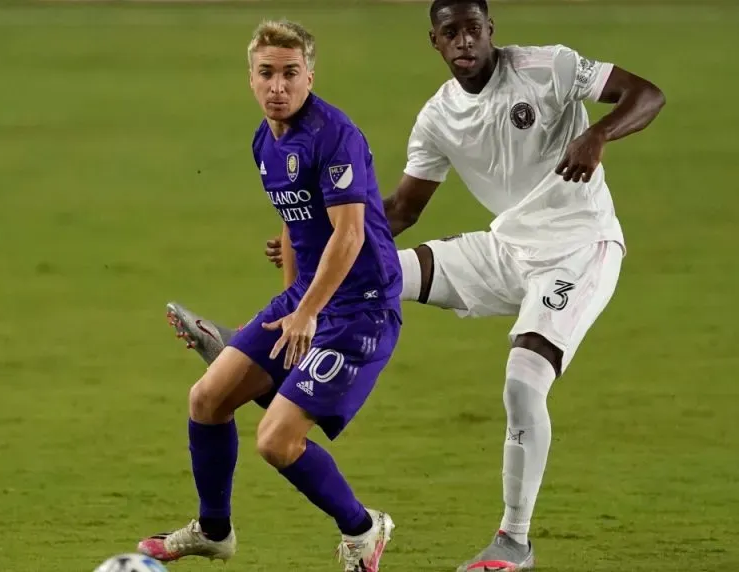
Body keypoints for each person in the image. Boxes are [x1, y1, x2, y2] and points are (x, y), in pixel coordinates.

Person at [166, 1, 665, 569]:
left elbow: (647, 95)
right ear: (435, 41)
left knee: (524, 382)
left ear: (490, 30)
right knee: (378, 277)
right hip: (507, 247)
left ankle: (514, 542)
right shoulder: (439, 116)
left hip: (579, 250)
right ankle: (255, 350)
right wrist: (319, 230)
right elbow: (399, 209)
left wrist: (598, 134)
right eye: (451, 33)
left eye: (473, 29)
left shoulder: (547, 67)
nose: (465, 42)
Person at [138, 19, 402, 572]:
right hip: (307, 298)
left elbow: (349, 234)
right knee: (206, 400)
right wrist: (285, 313)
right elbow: (293, 220)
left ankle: (363, 529)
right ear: (251, 78)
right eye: (266, 74)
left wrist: (306, 314)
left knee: (275, 441)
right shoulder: (265, 140)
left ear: (310, 75)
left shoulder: (336, 135)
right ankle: (214, 531)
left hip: (360, 311)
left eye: (289, 74)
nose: (277, 86)